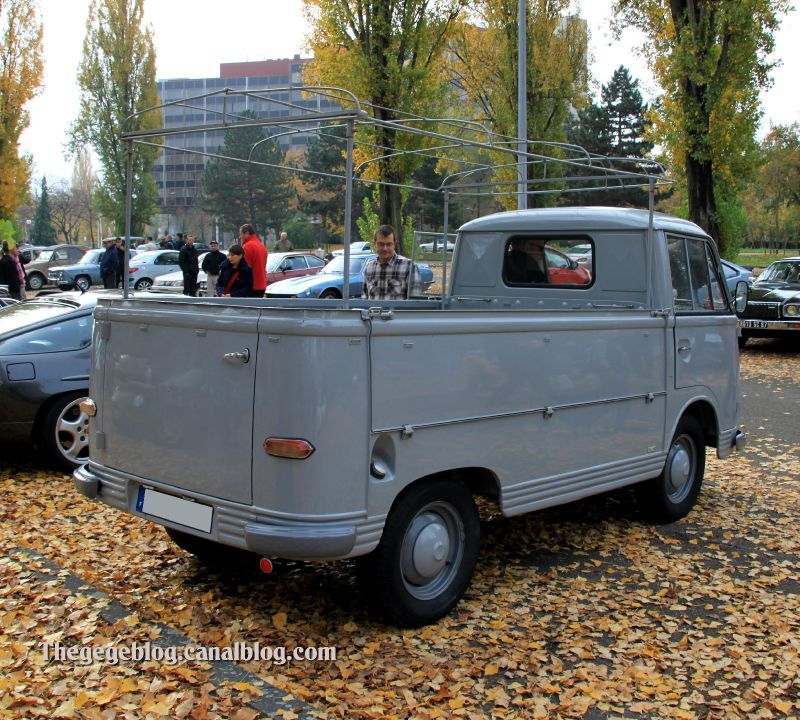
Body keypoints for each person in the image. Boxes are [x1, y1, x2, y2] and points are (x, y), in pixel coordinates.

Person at [362, 225, 422, 301]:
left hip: (399, 313)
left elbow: (415, 303)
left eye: (389, 244)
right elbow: (364, 300)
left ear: (394, 244)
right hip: (373, 313)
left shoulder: (409, 267)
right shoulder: (369, 267)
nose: (385, 248)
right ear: (375, 244)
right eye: (381, 244)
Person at [239, 223, 267, 298]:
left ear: (247, 233)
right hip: (261, 285)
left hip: (250, 286)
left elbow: (244, 269)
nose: (240, 237)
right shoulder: (262, 246)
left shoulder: (247, 247)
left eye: (241, 234)